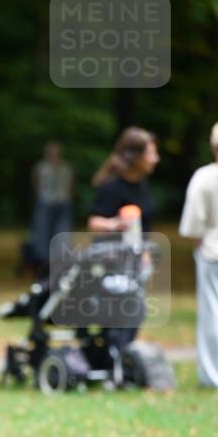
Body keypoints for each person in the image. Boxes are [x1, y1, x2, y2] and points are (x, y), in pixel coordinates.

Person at [179, 119, 218, 390]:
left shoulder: (203, 178)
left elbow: (193, 226)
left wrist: (201, 246)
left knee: (216, 316)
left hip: (214, 254)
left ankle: (217, 377)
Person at [88, 127, 160, 350]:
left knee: (135, 311)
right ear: (135, 157)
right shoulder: (112, 187)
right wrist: (115, 224)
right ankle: (113, 358)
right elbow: (93, 223)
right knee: (120, 311)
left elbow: (145, 226)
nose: (156, 159)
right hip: (111, 262)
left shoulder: (142, 186)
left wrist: (145, 254)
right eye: (151, 154)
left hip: (135, 262)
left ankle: (123, 358)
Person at [29, 141, 74, 270]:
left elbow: (70, 185)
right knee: (41, 232)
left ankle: (60, 261)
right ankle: (43, 262)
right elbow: (36, 183)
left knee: (63, 232)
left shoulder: (67, 167)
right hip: (45, 202)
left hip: (63, 203)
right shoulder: (41, 167)